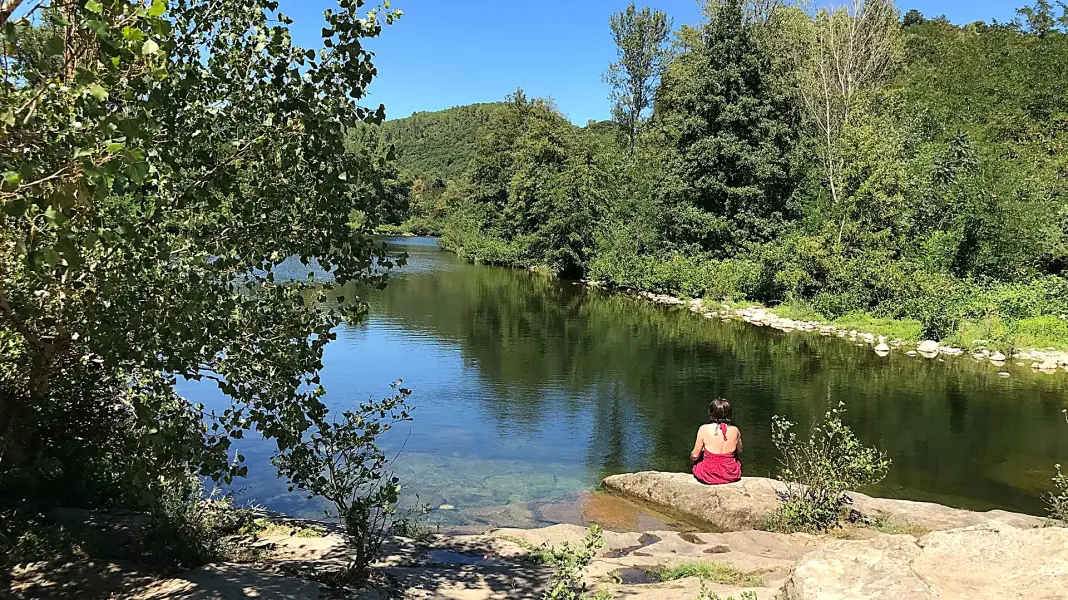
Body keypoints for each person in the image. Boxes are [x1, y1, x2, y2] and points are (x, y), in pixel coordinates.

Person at [690, 397, 742, 485]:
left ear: (711, 412)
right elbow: (740, 450)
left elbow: (695, 455)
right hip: (730, 473)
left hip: (708, 474)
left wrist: (693, 459)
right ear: (729, 414)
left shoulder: (704, 429)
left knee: (700, 457)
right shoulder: (735, 430)